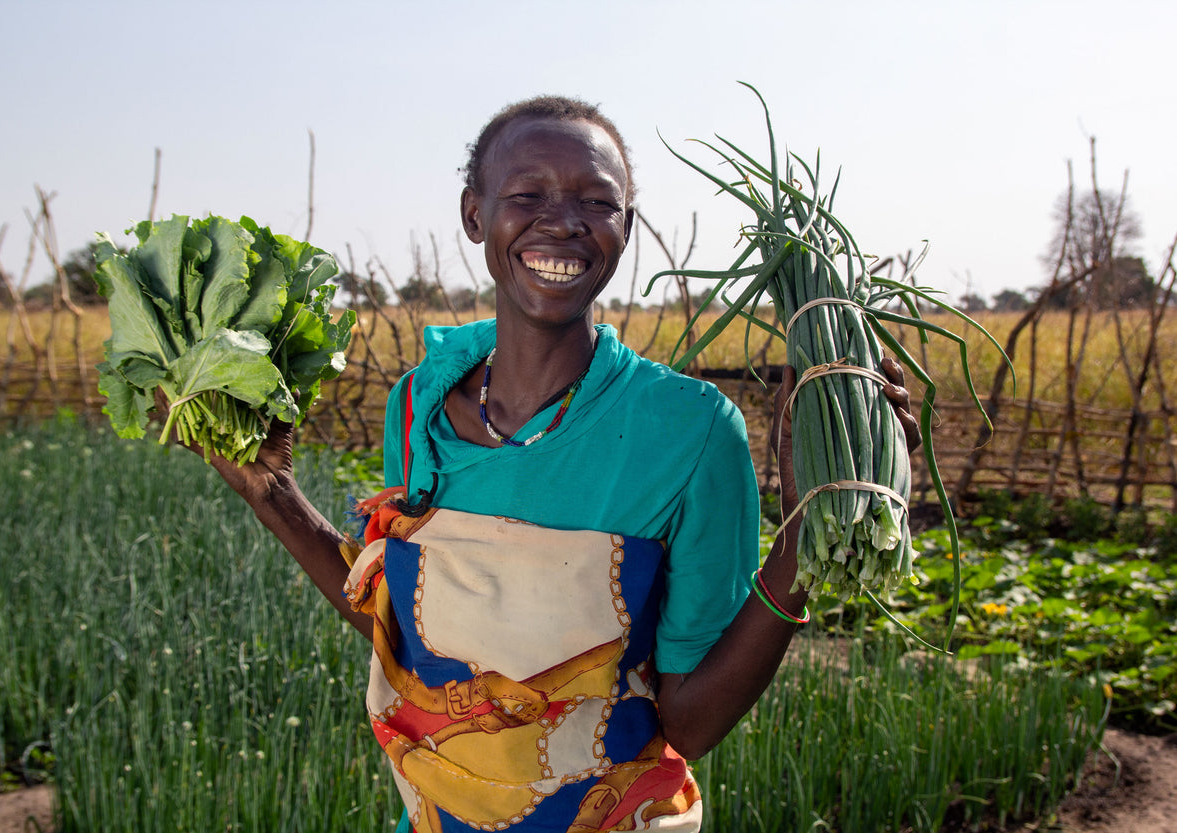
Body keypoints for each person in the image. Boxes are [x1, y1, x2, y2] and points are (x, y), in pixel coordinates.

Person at [198, 95, 918, 832]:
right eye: (527, 194)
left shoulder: (692, 431)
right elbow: (422, 639)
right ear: (475, 214)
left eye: (596, 201)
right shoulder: (419, 402)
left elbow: (693, 723)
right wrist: (273, 492)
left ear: (625, 229)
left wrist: (800, 542)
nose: (562, 220)